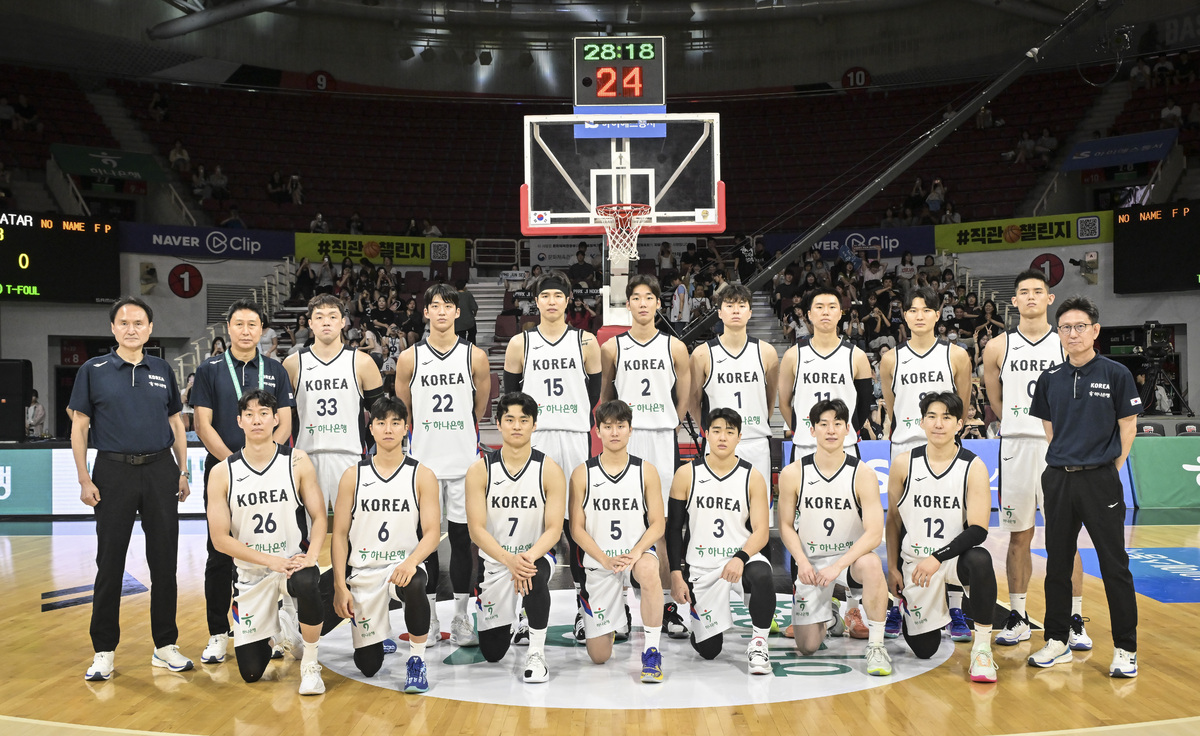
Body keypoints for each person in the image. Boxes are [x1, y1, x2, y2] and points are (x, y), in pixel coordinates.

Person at [69, 297, 192, 681]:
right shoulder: (93, 370)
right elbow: (79, 428)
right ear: (113, 328)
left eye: (139, 322)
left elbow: (176, 424)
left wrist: (183, 471)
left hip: (160, 470)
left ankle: (165, 645)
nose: (131, 328)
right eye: (123, 322)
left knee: (165, 562)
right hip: (112, 472)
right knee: (110, 564)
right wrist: (84, 478)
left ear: (150, 329)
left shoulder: (162, 369)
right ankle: (104, 650)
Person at [1027, 295, 1140, 678]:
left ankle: (1126, 648)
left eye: (1080, 327)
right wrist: (1068, 459)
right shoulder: (1050, 378)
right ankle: (1057, 640)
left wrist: (1107, 468)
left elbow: (1128, 427)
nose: (1072, 334)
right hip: (1059, 478)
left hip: (1100, 479)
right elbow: (1050, 428)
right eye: (1065, 328)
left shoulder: (1116, 373)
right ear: (1058, 333)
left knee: (1114, 566)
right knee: (1057, 564)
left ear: (1095, 330)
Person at [981, 269, 1089, 648]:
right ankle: (1018, 616)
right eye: (1023, 292)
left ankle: (1074, 619)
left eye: (1037, 291)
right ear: (1014, 301)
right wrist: (1017, 422)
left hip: (1058, 448)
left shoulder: (1065, 343)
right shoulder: (997, 346)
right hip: (1016, 447)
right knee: (1018, 536)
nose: (1030, 297)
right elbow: (995, 400)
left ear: (1049, 298)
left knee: (1067, 537)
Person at [191, 299, 296, 665]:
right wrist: (236, 465)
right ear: (229, 328)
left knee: (272, 550)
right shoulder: (209, 369)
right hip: (223, 472)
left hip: (270, 473)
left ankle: (272, 631)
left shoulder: (276, 368)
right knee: (220, 555)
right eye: (239, 324)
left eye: (253, 324)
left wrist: (266, 462)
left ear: (262, 329)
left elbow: (285, 421)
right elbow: (202, 424)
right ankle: (218, 633)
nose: (246, 330)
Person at [204, 390, 327, 694]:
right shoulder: (222, 472)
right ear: (239, 421)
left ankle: (310, 663)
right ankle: (282, 626)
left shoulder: (297, 461)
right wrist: (271, 561)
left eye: (263, 413)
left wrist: (311, 556)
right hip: (251, 576)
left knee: (308, 580)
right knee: (251, 672)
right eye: (249, 414)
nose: (256, 420)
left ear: (276, 419)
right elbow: (219, 540)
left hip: (292, 566)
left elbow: (319, 516)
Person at [502, 270, 602, 640]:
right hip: (537, 437)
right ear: (536, 301)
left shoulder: (586, 341)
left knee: (577, 527)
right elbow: (512, 398)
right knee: (532, 526)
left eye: (558, 295)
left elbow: (594, 392)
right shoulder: (520, 343)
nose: (552, 301)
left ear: (568, 300)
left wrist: (571, 414)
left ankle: (583, 609)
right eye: (545, 296)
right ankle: (522, 612)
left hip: (574, 436)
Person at [394, 284, 492, 647]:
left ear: (457, 313)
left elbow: (479, 406)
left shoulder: (474, 356)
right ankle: (431, 618)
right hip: (425, 465)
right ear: (426, 312)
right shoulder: (410, 358)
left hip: (464, 462)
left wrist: (463, 429)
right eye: (434, 305)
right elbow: (404, 409)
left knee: (464, 541)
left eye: (447, 306)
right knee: (428, 542)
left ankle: (461, 617)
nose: (440, 312)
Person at [600, 275, 693, 641]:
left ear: (658, 303)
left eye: (648, 297)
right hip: (625, 439)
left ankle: (668, 606)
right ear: (628, 305)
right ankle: (621, 606)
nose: (642, 303)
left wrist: (670, 422)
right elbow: (606, 398)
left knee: (664, 526)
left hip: (660, 439)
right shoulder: (613, 348)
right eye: (635, 298)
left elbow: (683, 397)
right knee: (620, 522)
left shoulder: (675, 347)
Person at [879, 286, 972, 639]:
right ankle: (898, 602)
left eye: (926, 310)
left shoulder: (956, 355)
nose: (919, 316)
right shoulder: (891, 359)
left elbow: (961, 406)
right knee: (901, 525)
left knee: (954, 524)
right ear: (904, 315)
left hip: (947, 451)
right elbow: (892, 406)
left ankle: (956, 608)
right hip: (906, 447)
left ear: (937, 314)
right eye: (912, 310)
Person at [885, 391, 998, 683]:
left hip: (952, 559)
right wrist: (893, 568)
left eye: (946, 417)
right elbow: (894, 520)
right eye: (932, 417)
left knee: (980, 560)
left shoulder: (973, 466)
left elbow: (978, 529)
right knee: (924, 650)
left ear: (959, 424)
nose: (938, 424)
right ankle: (913, 608)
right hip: (916, 562)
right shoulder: (903, 463)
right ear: (921, 422)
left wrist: (938, 557)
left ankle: (982, 649)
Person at [330, 396, 440, 694]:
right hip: (363, 572)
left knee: (415, 583)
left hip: (401, 567)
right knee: (368, 666)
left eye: (395, 423)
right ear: (372, 428)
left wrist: (411, 561)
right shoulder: (353, 475)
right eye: (381, 423)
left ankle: (417, 660)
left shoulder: (422, 475)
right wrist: (340, 585)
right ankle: (378, 636)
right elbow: (339, 534)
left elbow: (432, 532)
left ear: (406, 428)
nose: (388, 429)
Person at [778, 399, 890, 675]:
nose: (831, 430)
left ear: (847, 429)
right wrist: (802, 561)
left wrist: (838, 566)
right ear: (812, 430)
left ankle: (877, 646)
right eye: (824, 424)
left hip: (849, 563)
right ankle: (830, 615)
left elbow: (875, 533)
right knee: (807, 647)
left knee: (872, 563)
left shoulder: (863, 473)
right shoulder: (793, 473)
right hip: (813, 565)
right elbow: (785, 526)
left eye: (837, 424)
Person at [464, 392, 565, 682]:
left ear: (534, 424)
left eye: (524, 419)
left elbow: (554, 529)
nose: (517, 426)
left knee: (532, 574)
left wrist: (526, 558)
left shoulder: (549, 470)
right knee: (493, 652)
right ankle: (512, 615)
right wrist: (509, 560)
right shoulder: (480, 470)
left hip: (535, 555)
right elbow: (476, 530)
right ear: (498, 424)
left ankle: (536, 653)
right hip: (497, 561)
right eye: (510, 419)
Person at [666, 408, 773, 673]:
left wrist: (740, 557)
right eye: (716, 431)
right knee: (709, 650)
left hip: (740, 559)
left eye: (729, 432)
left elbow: (761, 531)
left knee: (762, 575)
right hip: (702, 567)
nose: (722, 437)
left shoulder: (752, 476)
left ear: (739, 437)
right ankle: (699, 621)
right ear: (706, 434)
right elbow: (674, 528)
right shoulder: (686, 474)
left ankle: (759, 643)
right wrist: (676, 574)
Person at [569, 400, 666, 679]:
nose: (614, 432)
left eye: (620, 426)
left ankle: (652, 651)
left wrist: (636, 552)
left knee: (648, 569)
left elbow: (657, 523)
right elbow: (576, 529)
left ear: (630, 430)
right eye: (608, 426)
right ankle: (609, 616)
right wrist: (604, 559)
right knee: (599, 657)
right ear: (597, 431)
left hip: (636, 554)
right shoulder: (582, 473)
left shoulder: (646, 470)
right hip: (601, 560)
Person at [283, 294, 385, 512]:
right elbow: (283, 417)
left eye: (332, 316)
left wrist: (365, 444)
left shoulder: (362, 362)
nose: (326, 322)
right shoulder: (292, 364)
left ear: (342, 322)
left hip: (350, 455)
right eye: (319, 317)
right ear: (310, 323)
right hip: (306, 456)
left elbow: (380, 415)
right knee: (308, 526)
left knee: (352, 526)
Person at [690, 284, 778, 476]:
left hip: (756, 441)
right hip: (718, 442)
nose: (736, 310)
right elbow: (693, 401)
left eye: (742, 305)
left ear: (750, 312)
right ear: (720, 313)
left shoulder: (766, 352)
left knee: (758, 496)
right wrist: (710, 430)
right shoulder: (702, 353)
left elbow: (770, 399)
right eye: (729, 305)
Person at [454, 279, 479, 345]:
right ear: (465, 287)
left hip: (458, 322)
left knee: (461, 338)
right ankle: (471, 347)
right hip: (469, 320)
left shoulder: (453, 296)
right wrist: (474, 315)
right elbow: (475, 308)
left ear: (455, 288)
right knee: (472, 334)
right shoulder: (468, 294)